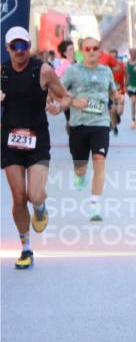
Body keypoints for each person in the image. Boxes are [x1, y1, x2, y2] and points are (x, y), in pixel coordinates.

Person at [1, 26, 71, 269]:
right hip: (10, 140)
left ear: (29, 47)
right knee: (19, 197)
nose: (20, 51)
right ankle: (26, 248)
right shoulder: (2, 72)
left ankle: (40, 206)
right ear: (8, 48)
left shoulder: (42, 70)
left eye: (24, 46)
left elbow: (66, 96)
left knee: (34, 195)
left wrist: (59, 107)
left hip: (37, 140)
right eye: (15, 47)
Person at [59, 36, 122, 221]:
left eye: (95, 48)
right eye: (88, 49)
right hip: (78, 124)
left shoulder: (106, 71)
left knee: (99, 161)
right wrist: (73, 101)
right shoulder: (72, 71)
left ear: (100, 49)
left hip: (100, 124)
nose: (92, 51)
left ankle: (94, 206)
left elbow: (113, 92)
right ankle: (80, 174)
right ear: (82, 50)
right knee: (80, 168)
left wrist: (119, 99)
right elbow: (57, 91)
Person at [99, 48, 126, 135]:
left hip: (120, 90)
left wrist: (127, 85)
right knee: (112, 110)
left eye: (115, 57)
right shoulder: (104, 69)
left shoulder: (121, 65)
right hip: (110, 92)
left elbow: (127, 75)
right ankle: (114, 127)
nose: (113, 59)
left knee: (119, 112)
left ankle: (116, 117)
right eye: (111, 57)